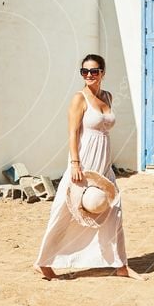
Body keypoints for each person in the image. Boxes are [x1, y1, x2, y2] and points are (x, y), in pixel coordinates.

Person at [34, 54, 144, 281]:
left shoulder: (108, 96)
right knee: (63, 211)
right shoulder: (79, 99)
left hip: (104, 165)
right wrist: (75, 163)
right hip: (83, 163)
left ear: (103, 72)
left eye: (94, 71)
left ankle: (121, 264)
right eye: (84, 72)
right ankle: (43, 262)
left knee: (115, 210)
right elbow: (73, 133)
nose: (89, 75)